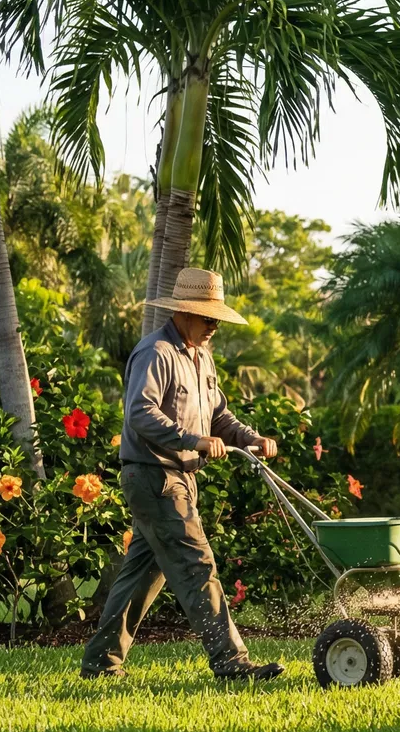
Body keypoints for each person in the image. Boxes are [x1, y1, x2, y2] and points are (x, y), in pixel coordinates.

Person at [81, 267, 283, 681]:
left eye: (217, 319)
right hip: (155, 476)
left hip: (179, 478)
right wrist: (193, 440)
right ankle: (232, 663)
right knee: (196, 564)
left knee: (141, 577)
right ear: (184, 312)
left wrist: (252, 438)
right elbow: (140, 413)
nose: (213, 326)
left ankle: (101, 665)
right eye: (208, 317)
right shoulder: (156, 353)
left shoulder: (201, 357)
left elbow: (219, 415)